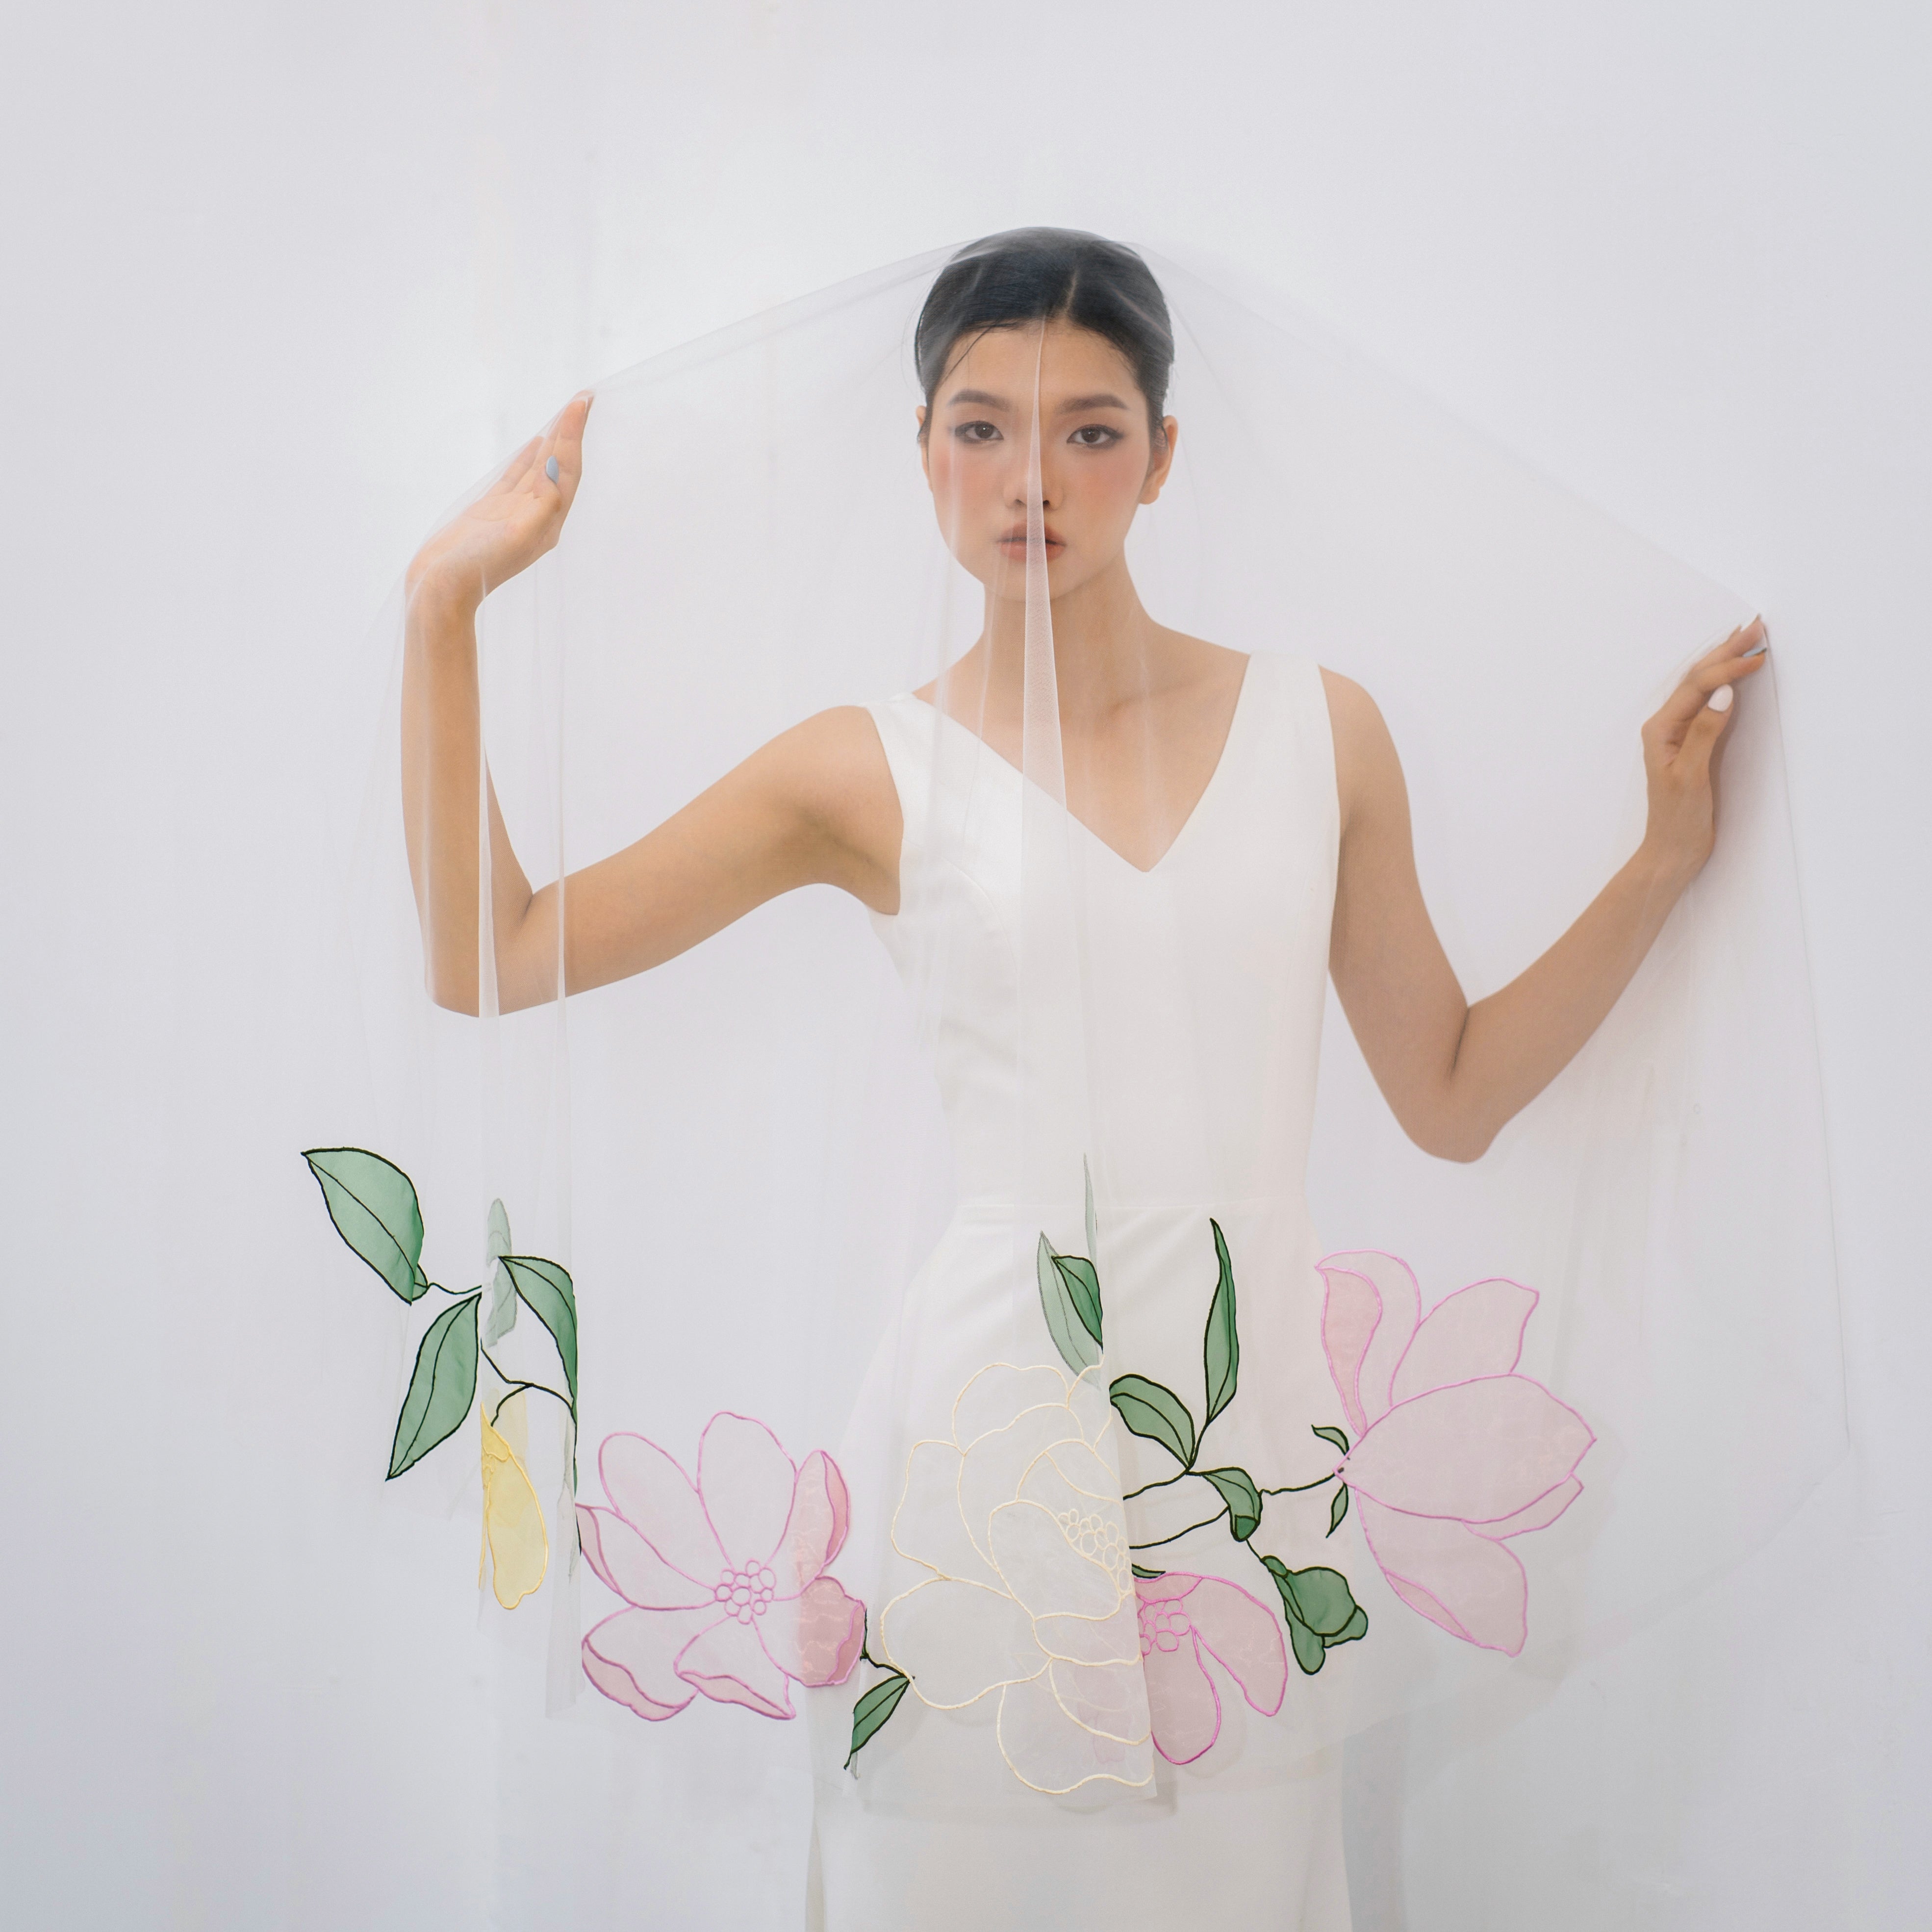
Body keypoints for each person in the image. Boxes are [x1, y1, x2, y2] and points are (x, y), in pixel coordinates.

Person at [397, 229, 1769, 1928]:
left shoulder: (1318, 729)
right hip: (991, 1441)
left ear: (1164, 455)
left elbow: (1453, 1091)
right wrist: (442, 608)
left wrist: (1657, 865)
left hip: (1239, 1432)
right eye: (977, 428)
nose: (1027, 479)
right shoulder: (864, 764)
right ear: (918, 454)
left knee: (1236, 1882)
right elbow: (495, 951)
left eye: (1088, 430)